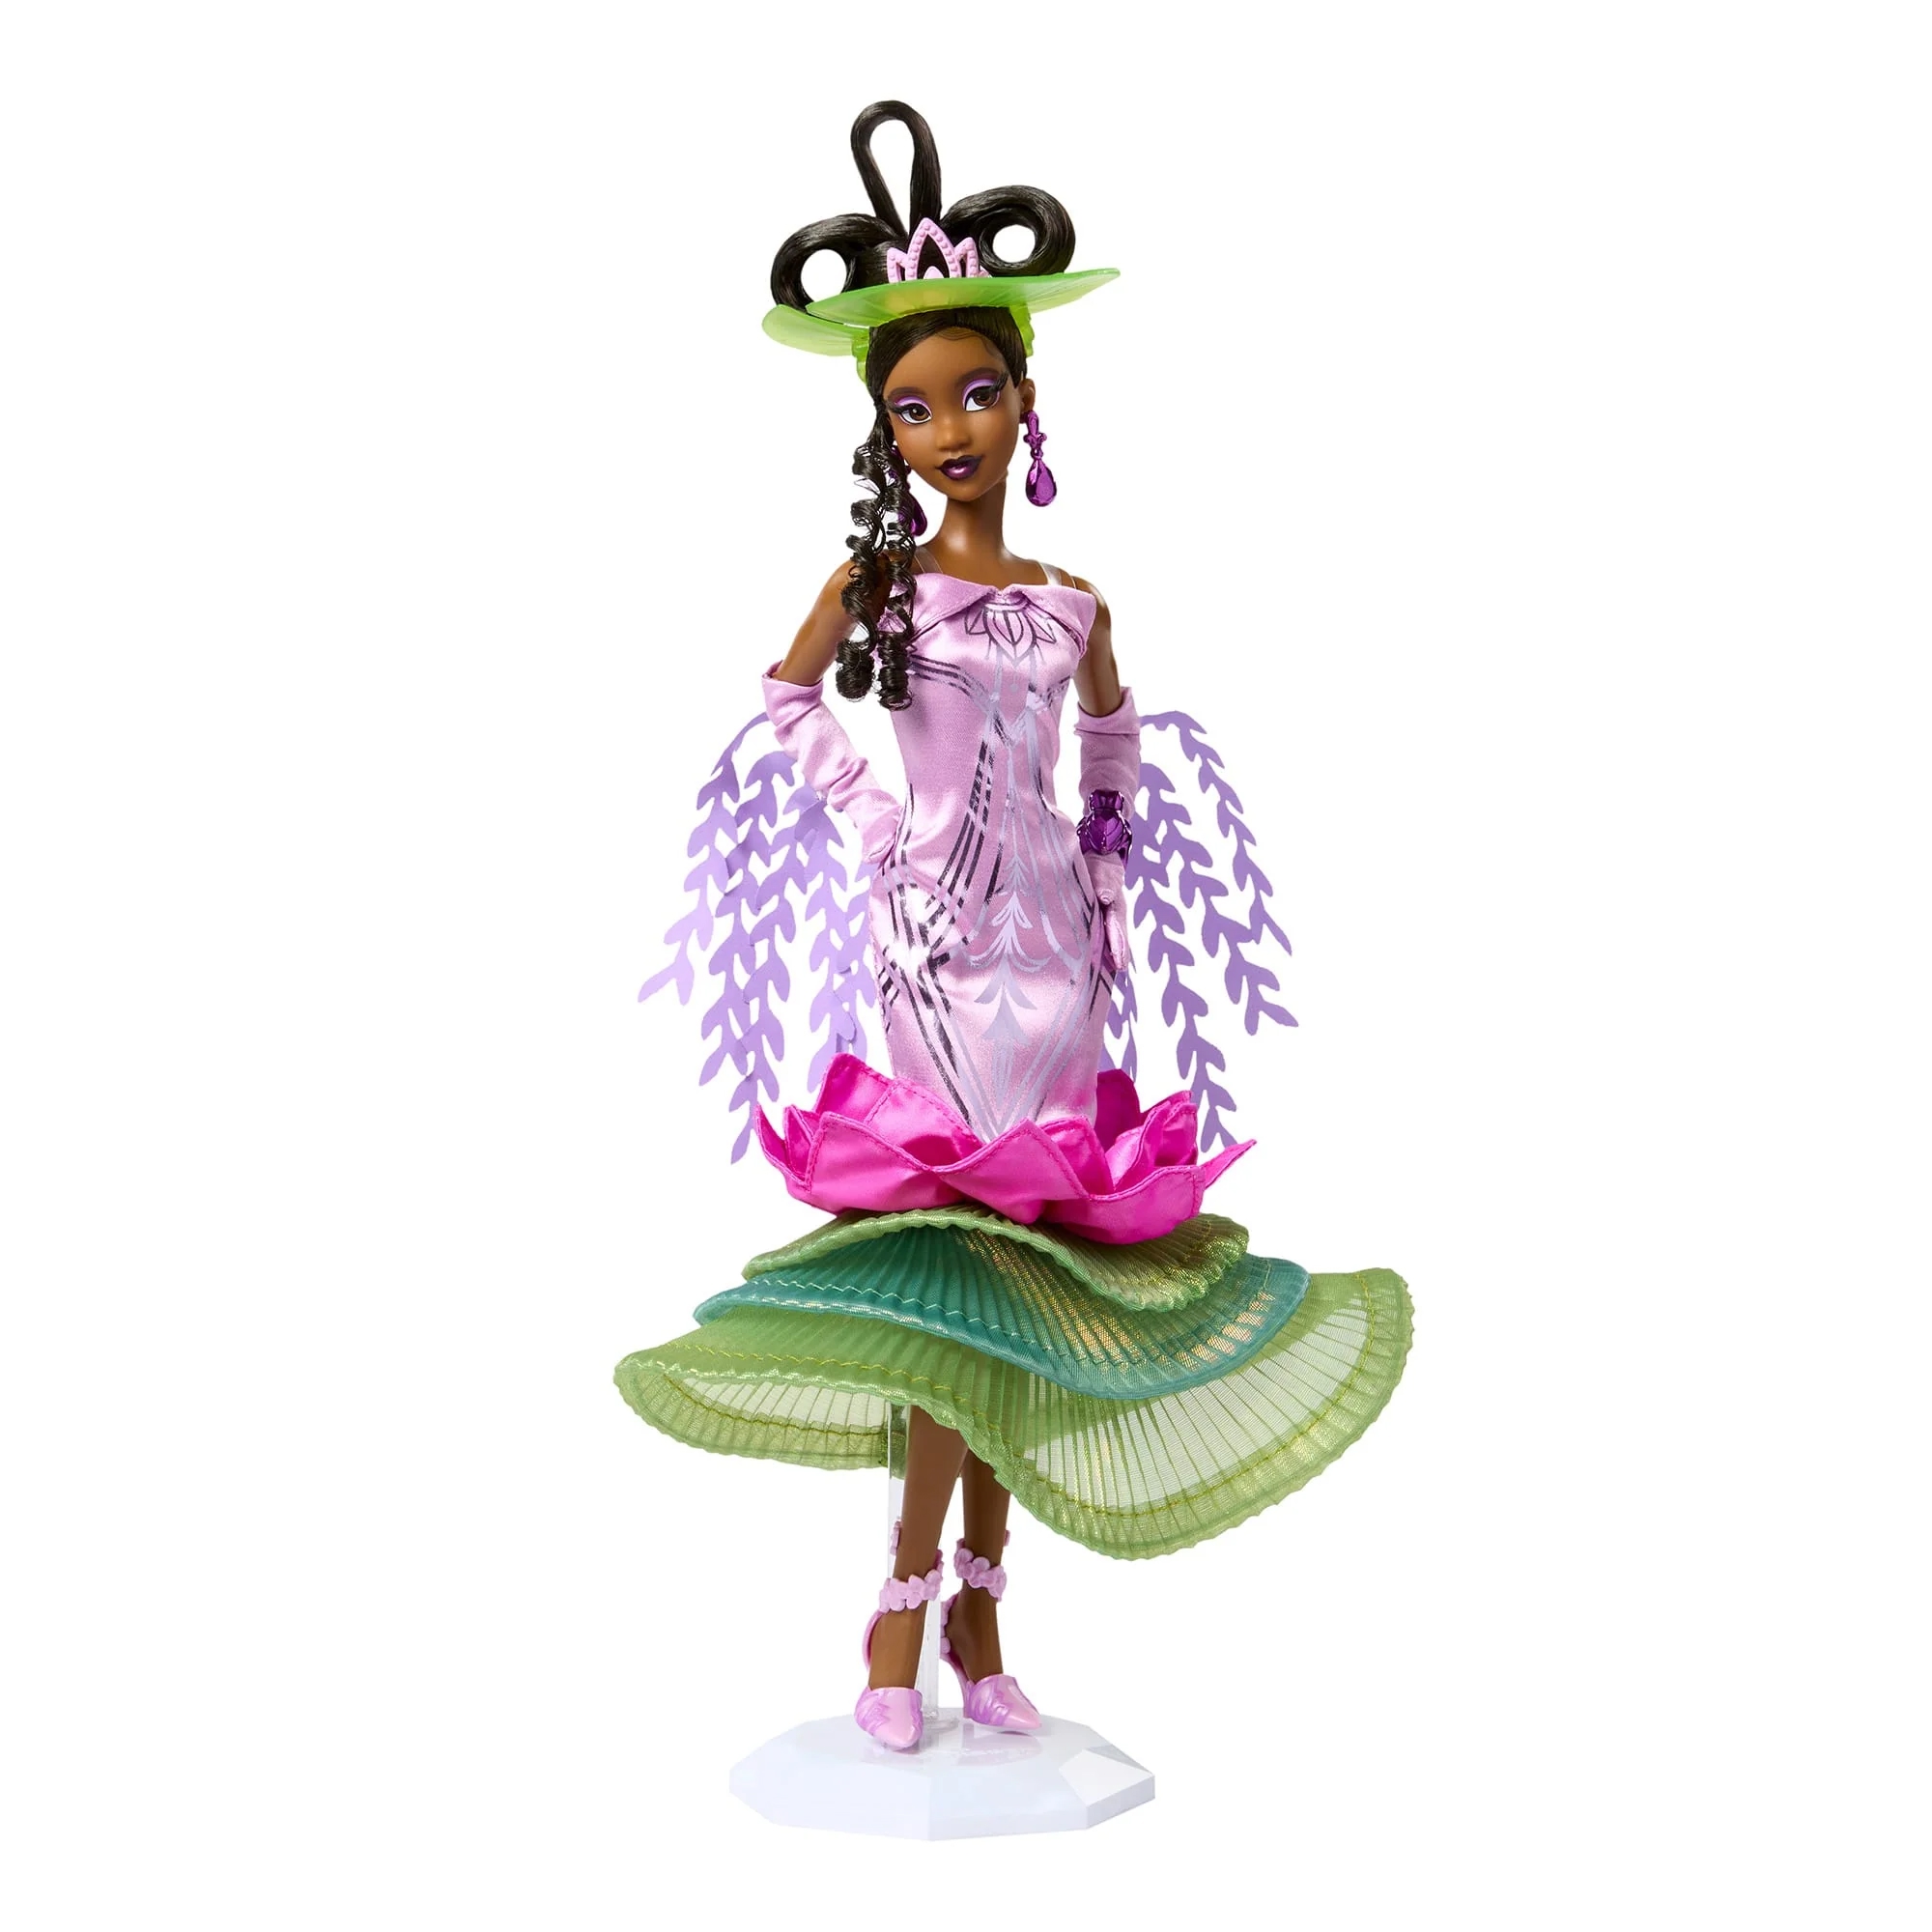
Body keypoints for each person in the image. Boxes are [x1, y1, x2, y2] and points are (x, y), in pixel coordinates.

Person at [617, 101, 1411, 1754]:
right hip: (932, 959)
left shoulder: (1070, 602)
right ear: (882, 434)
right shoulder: (877, 594)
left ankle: (981, 1619)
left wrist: (1106, 880)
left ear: (1025, 397)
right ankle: (899, 1617)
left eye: (975, 393)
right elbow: (785, 699)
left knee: (1036, 1283)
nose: (948, 431)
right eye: (912, 408)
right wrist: (873, 829)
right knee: (951, 1272)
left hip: (1057, 961)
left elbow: (1109, 739)